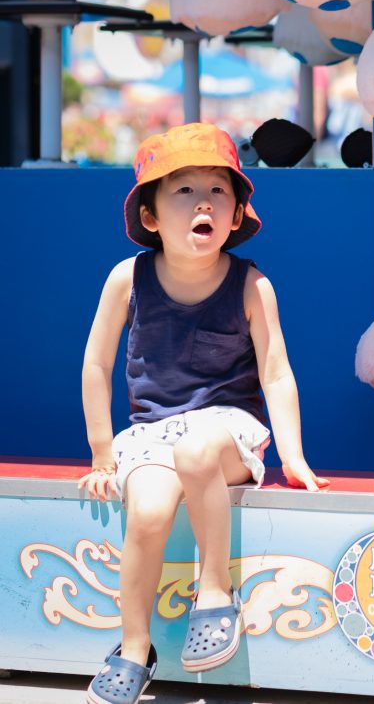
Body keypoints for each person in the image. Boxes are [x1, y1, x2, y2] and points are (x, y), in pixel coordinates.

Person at [78, 123, 328, 704]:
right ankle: (134, 647)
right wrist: (101, 452)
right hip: (149, 433)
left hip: (226, 432)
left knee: (194, 453)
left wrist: (292, 454)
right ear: (151, 216)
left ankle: (214, 592)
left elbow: (275, 373)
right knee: (146, 510)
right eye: (183, 191)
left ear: (237, 214)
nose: (203, 203)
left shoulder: (251, 283)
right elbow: (96, 365)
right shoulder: (126, 278)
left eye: (218, 191)